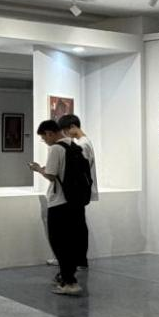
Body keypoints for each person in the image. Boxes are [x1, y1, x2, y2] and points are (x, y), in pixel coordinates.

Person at [29, 120, 91, 296]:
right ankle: (68, 277)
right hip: (76, 201)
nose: (45, 141)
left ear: (49, 133)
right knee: (71, 241)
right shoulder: (75, 146)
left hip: (59, 202)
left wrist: (38, 169)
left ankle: (69, 282)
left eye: (44, 138)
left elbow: (51, 174)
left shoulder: (56, 149)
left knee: (59, 243)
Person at [58, 114, 98, 269]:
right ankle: (78, 259)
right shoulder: (84, 142)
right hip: (81, 189)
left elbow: (80, 169)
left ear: (73, 127)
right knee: (78, 224)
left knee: (77, 225)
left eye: (65, 131)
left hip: (79, 190)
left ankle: (79, 260)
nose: (65, 134)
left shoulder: (82, 144)